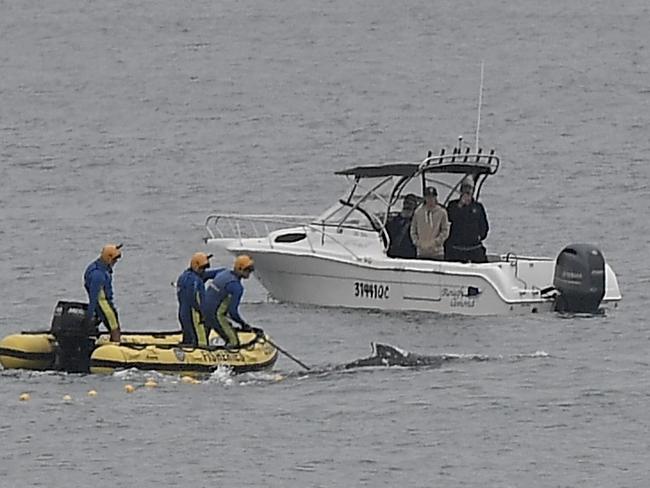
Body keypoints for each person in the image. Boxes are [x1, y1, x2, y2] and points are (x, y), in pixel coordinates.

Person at [203, 255, 255, 348]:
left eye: (251, 269)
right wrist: (243, 324)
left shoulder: (223, 272)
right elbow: (232, 312)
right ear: (240, 269)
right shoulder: (236, 287)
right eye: (248, 270)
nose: (250, 272)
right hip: (216, 316)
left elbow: (204, 275)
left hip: (203, 310)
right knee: (233, 341)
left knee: (203, 340)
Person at [176, 252, 223, 347]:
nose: (204, 270)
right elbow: (194, 299)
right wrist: (203, 313)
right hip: (195, 316)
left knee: (189, 338)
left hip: (183, 313)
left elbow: (211, 274)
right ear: (196, 266)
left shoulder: (183, 277)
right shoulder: (196, 281)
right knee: (201, 341)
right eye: (202, 268)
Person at [83, 243, 123, 342]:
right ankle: (116, 345)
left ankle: (113, 341)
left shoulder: (100, 269)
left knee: (113, 324)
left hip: (105, 303)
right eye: (114, 260)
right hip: (103, 305)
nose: (115, 262)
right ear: (108, 258)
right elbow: (93, 297)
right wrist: (89, 315)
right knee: (114, 328)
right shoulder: (97, 275)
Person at [444, 179, 489, 263]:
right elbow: (449, 219)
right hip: (456, 247)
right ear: (461, 191)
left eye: (469, 189)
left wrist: (480, 236)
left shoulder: (478, 207)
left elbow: (484, 226)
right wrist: (460, 205)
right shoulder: (452, 205)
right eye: (465, 188)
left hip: (473, 247)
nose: (467, 191)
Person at [410, 186, 449, 260]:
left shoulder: (442, 212)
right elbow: (413, 230)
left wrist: (436, 242)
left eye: (432, 197)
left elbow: (445, 231)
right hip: (421, 252)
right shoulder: (418, 212)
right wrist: (417, 243)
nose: (430, 200)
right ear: (425, 198)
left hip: (437, 253)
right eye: (428, 197)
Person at [385, 193, 418, 258]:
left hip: (410, 255)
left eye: (410, 204)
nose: (407, 206)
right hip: (393, 254)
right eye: (406, 203)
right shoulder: (394, 221)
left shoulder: (417, 222)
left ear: (415, 206)